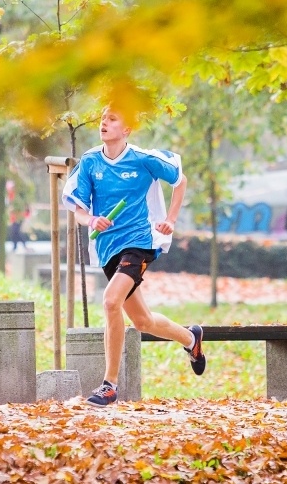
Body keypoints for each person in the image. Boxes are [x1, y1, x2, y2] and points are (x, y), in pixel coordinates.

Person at [62, 107, 206, 407]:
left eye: (113, 118)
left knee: (111, 301)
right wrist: (90, 220)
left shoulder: (143, 159)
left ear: (127, 129)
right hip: (107, 248)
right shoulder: (90, 162)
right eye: (103, 117)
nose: (104, 122)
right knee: (142, 321)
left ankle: (109, 385)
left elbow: (180, 180)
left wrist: (171, 218)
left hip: (139, 242)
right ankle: (191, 339)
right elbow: (77, 210)